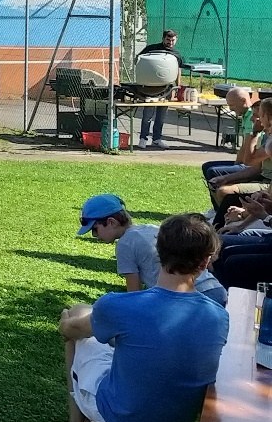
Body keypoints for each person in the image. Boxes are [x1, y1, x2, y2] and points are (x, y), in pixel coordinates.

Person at [59, 213, 227, 422]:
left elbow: (70, 330)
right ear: (205, 262)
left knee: (77, 312)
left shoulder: (118, 306)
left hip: (119, 417)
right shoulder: (219, 316)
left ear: (158, 250)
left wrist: (65, 321)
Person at [76, 193, 228, 305]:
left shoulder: (124, 245)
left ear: (111, 222)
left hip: (189, 299)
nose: (95, 235)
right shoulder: (149, 228)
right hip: (215, 289)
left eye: (95, 229)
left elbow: (133, 293)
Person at [206, 97, 272, 226]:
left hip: (266, 182)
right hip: (264, 182)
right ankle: (220, 221)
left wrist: (243, 215)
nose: (253, 119)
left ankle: (219, 226)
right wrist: (226, 178)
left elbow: (249, 160)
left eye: (258, 115)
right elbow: (253, 165)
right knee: (213, 172)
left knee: (224, 191)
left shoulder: (268, 140)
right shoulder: (266, 136)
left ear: (268, 117)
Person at [136, 29, 184, 150]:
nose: (170, 42)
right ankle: (143, 139)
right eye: (168, 40)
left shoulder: (176, 54)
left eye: (173, 40)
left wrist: (177, 87)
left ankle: (157, 139)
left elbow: (178, 70)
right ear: (163, 39)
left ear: (176, 40)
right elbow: (139, 61)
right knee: (148, 115)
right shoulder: (151, 49)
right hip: (150, 89)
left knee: (161, 116)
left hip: (167, 88)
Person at [202, 86, 256, 184]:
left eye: (232, 105)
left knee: (213, 171)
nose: (230, 108)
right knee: (207, 166)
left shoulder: (252, 117)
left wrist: (237, 165)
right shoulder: (245, 115)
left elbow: (247, 145)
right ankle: (218, 191)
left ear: (243, 101)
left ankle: (222, 192)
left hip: (251, 165)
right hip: (246, 162)